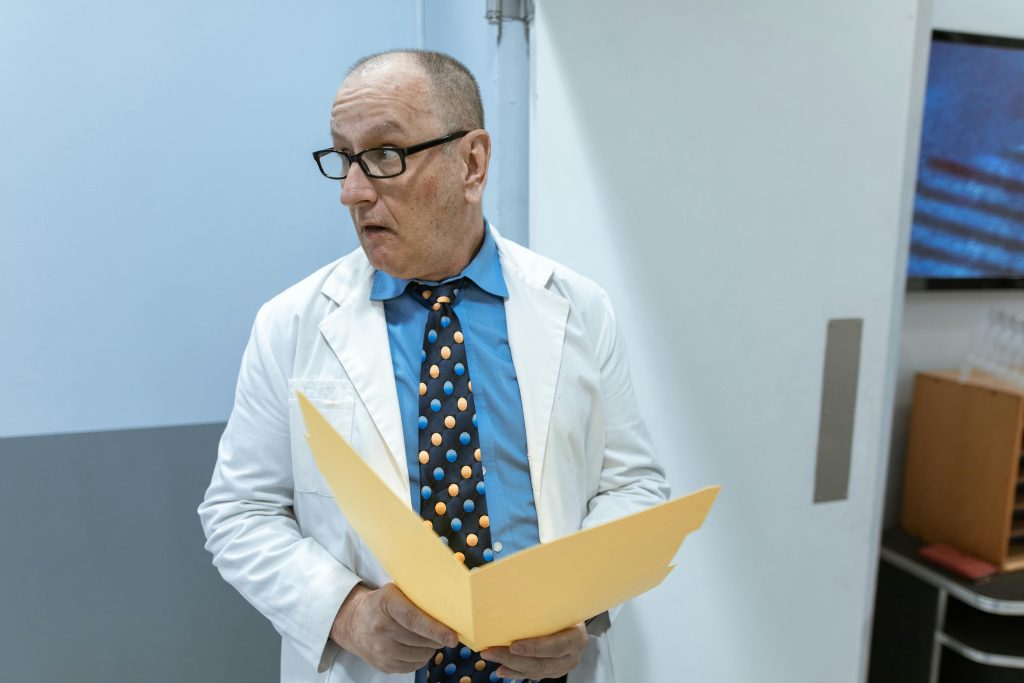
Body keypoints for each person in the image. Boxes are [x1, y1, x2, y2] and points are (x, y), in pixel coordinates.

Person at [198, 50, 669, 683]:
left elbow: (632, 486)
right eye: (343, 158)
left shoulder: (579, 308)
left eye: (386, 156)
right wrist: (346, 613)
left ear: (471, 163)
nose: (351, 191)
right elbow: (238, 512)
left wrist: (581, 607)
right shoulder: (291, 325)